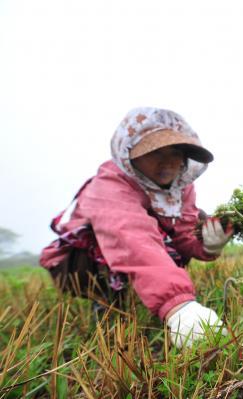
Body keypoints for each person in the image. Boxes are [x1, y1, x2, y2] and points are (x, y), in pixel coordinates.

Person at [39, 107, 233, 348]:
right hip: (79, 263)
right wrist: (178, 306)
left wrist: (207, 246)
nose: (168, 161)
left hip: (140, 248)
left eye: (176, 151)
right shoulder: (109, 186)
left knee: (197, 221)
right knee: (123, 242)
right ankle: (108, 304)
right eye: (155, 151)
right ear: (129, 153)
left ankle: (145, 294)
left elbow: (183, 231)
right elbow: (132, 240)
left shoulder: (180, 188)